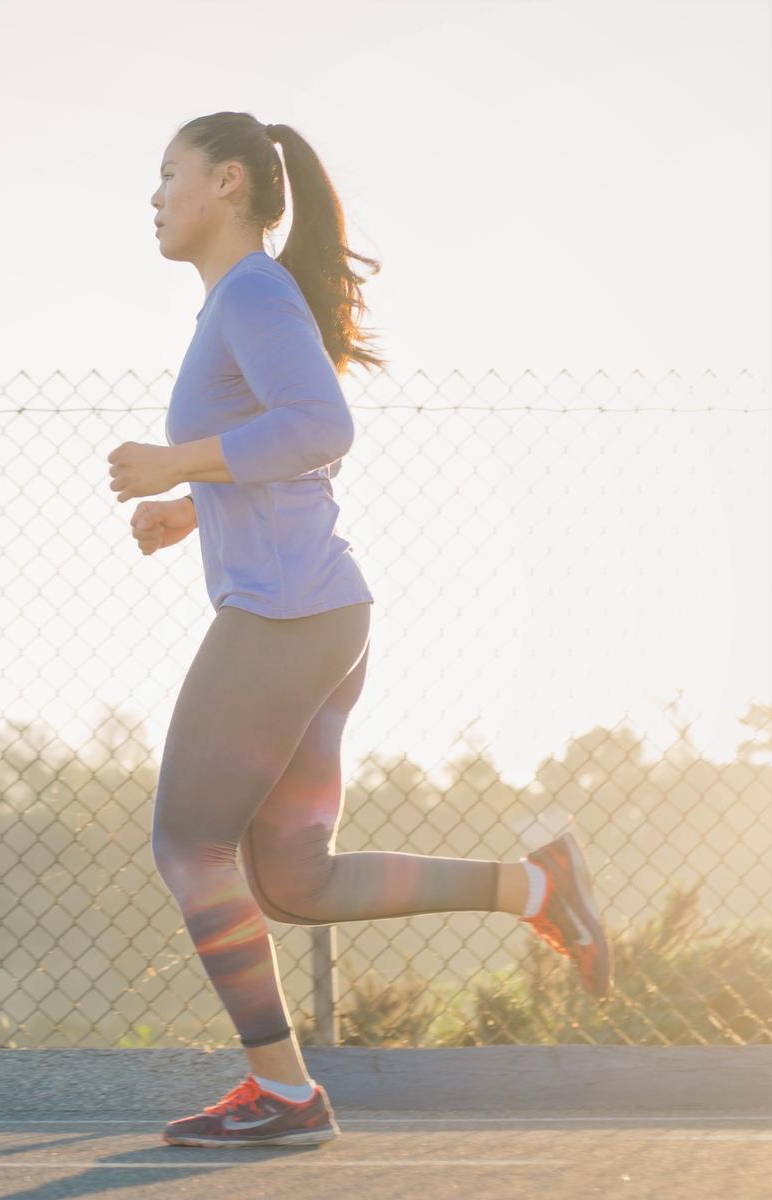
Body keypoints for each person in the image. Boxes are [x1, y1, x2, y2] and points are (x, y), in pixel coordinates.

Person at [105, 112, 612, 1149]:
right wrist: (193, 505)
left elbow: (321, 426)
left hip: (286, 618)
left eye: (169, 174)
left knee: (188, 843)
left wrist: (176, 463)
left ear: (229, 182)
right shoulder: (239, 302)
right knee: (292, 878)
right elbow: (291, 452)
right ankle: (537, 886)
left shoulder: (247, 291)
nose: (153, 196)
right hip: (320, 614)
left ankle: (285, 1095)